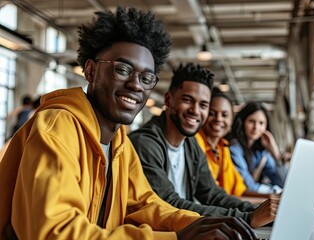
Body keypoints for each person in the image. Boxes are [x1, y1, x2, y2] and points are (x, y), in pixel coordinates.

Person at [0, 7, 257, 240]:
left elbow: (145, 206)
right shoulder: (57, 128)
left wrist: (206, 225)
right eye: (123, 69)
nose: (136, 85)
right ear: (91, 71)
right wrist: (177, 238)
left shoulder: (120, 143)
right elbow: (55, 232)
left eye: (147, 78)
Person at [129, 63, 280, 229]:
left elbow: (212, 194)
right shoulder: (145, 143)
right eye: (187, 100)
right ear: (168, 99)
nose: (195, 110)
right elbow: (169, 204)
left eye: (203, 105)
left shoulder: (190, 143)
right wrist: (247, 217)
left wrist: (260, 211)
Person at [195, 87, 269, 204]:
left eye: (224, 115)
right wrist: (268, 201)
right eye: (212, 113)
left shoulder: (222, 148)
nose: (218, 119)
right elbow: (218, 199)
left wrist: (272, 197)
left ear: (231, 121)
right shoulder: (196, 144)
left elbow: (240, 191)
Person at [228, 101, 289, 194]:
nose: (256, 127)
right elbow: (249, 186)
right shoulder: (234, 148)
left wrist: (275, 153)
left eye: (261, 123)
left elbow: (283, 183)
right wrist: (276, 190)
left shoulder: (260, 153)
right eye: (251, 121)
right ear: (242, 122)